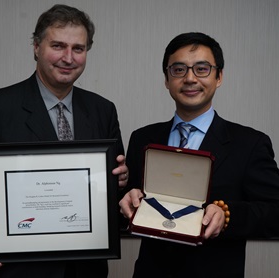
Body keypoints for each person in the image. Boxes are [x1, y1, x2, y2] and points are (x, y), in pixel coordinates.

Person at [0, 4, 128, 278]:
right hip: (16, 271)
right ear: (36, 47)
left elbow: (113, 195)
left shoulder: (103, 110)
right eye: (58, 46)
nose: (68, 58)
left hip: (86, 269)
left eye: (78, 48)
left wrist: (120, 182)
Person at [119, 32, 279, 277]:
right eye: (179, 69)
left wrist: (227, 215)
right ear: (166, 79)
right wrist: (126, 198)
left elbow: (274, 212)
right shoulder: (142, 138)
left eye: (202, 69)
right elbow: (129, 207)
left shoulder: (250, 144)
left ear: (219, 77)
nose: (190, 79)